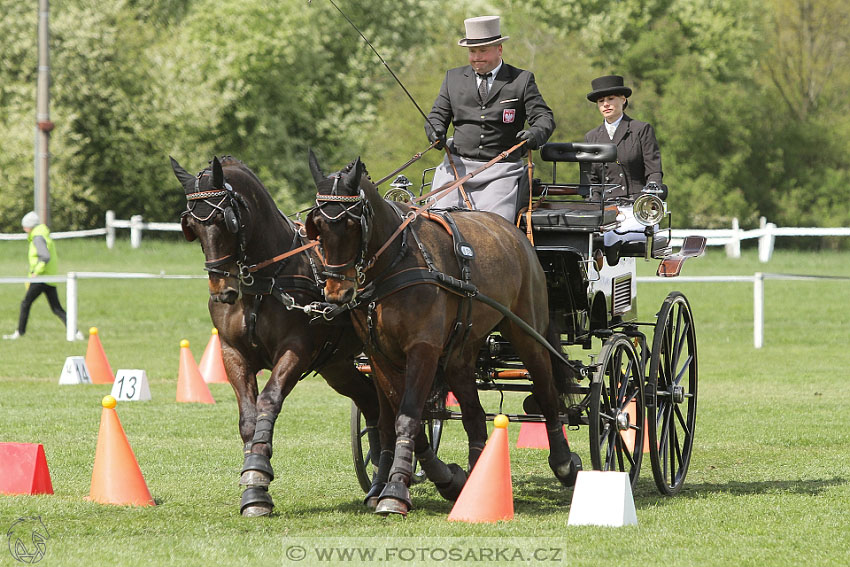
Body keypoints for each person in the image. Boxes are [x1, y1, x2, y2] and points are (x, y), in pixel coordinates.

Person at [425, 15, 555, 222]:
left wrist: (535, 134)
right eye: (472, 51)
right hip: (456, 167)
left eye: (483, 50)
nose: (477, 57)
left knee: (495, 227)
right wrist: (435, 131)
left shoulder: (521, 80)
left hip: (501, 171)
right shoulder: (453, 78)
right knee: (436, 222)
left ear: (499, 49)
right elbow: (437, 115)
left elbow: (544, 117)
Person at [583, 75, 663, 249]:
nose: (606, 104)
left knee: (616, 234)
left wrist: (650, 200)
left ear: (623, 99)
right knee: (595, 234)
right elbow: (592, 181)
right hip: (606, 209)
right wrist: (597, 211)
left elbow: (654, 171)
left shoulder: (641, 130)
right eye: (601, 101)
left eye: (611, 99)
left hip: (637, 209)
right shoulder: (592, 137)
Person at [3, 212, 82, 340]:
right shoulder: (43, 234)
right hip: (49, 277)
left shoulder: (38, 237)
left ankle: (19, 332)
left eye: (25, 226)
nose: (24, 229)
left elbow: (45, 256)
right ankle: (76, 332)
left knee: (25, 303)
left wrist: (36, 273)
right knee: (56, 308)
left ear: (30, 226)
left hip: (41, 278)